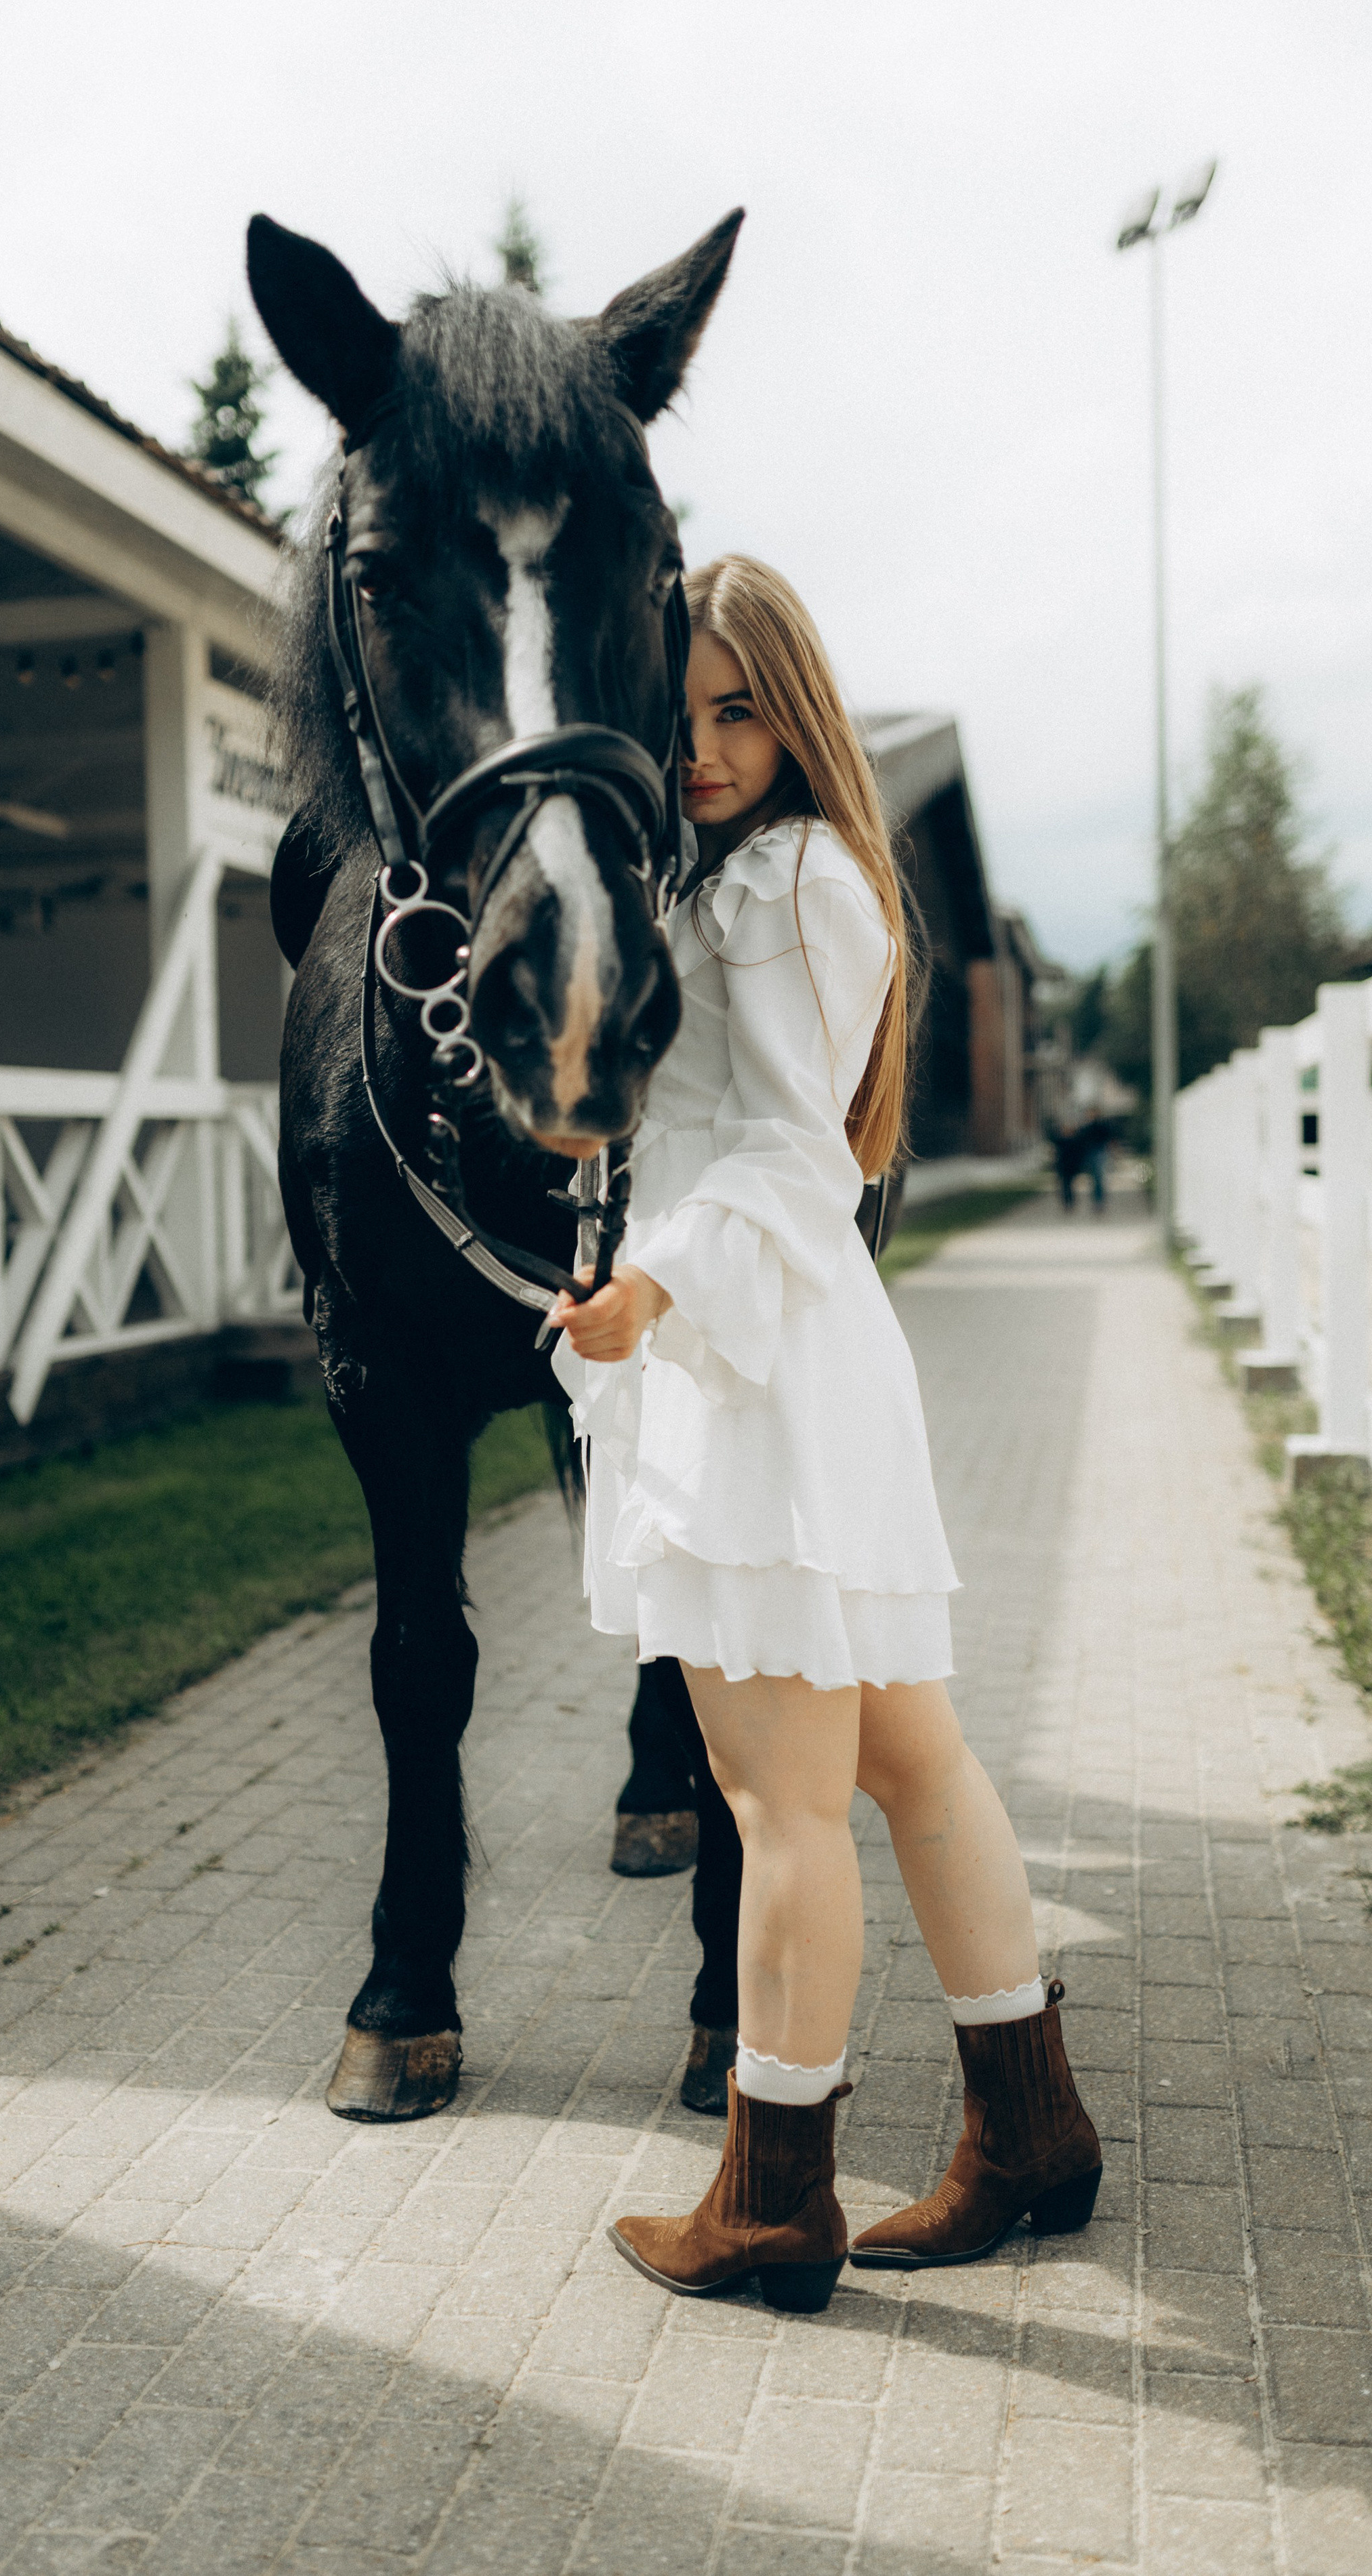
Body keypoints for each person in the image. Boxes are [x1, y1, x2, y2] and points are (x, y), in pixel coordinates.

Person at [549, 556, 1099, 2311]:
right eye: (684, 711)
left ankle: (777, 2197)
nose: (705, 744)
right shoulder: (768, 876)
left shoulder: (793, 881)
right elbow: (735, 1120)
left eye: (739, 706)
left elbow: (799, 1158)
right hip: (782, 1353)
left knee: (776, 1800)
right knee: (906, 1758)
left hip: (761, 1368)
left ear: (800, 710)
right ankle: (1030, 2131)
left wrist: (662, 1293)